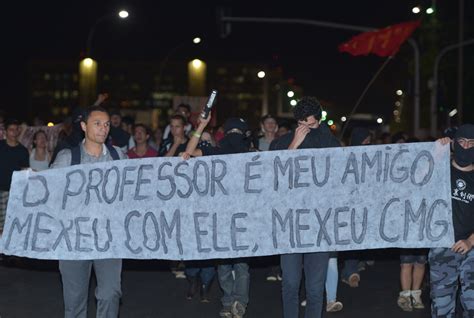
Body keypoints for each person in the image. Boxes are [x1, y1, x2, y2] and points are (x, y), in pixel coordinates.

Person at [51, 106, 127, 318]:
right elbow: (49, 192)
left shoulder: (118, 157)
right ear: (84, 126)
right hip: (74, 240)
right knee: (74, 302)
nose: (103, 129)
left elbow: (138, 186)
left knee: (110, 293)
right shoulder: (67, 158)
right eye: (97, 124)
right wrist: (31, 180)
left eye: (107, 124)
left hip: (109, 238)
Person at [270, 96, 340, 318]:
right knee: (290, 282)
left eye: (311, 125)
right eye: (302, 125)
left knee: (315, 287)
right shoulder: (283, 143)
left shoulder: (330, 142)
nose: (307, 129)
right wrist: (293, 146)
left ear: (318, 121)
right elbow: (271, 176)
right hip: (290, 223)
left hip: (320, 224)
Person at [182, 115, 252, 318]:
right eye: (231, 133)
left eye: (238, 134)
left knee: (240, 263)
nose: (234, 137)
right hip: (220, 216)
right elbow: (188, 153)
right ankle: (228, 301)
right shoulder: (215, 152)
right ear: (224, 135)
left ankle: (239, 301)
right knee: (223, 263)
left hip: (243, 216)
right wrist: (202, 125)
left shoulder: (252, 155)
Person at [430, 124, 474, 317]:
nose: (466, 146)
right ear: (454, 144)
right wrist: (436, 151)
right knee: (442, 307)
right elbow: (413, 181)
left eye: (471, 143)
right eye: (462, 142)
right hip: (441, 248)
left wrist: (470, 241)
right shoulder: (439, 172)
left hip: (472, 248)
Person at [0, 119, 30, 234]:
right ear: (6, 132)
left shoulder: (22, 151)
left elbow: (24, 171)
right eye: (11, 130)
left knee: (11, 225)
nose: (14, 132)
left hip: (14, 192)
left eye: (16, 129)